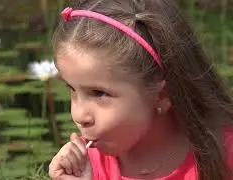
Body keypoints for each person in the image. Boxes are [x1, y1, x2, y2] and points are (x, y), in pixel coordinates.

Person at [48, 0, 233, 179]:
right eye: (72, 89)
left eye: (99, 93)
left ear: (162, 94)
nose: (79, 115)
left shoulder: (223, 154)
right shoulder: (88, 167)